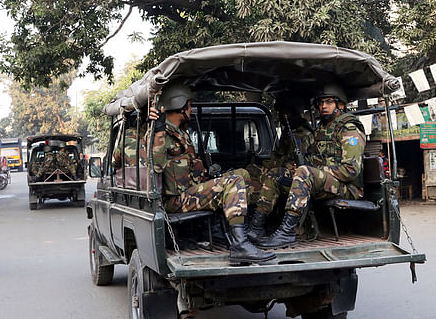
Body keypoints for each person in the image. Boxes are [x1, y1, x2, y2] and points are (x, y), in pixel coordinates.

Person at [148, 82, 275, 265]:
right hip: (174, 201)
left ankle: (245, 230)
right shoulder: (160, 133)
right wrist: (158, 133)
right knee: (233, 182)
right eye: (190, 105)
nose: (191, 110)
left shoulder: (180, 133)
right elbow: (156, 167)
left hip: (190, 192)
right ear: (180, 106)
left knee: (242, 174)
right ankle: (240, 245)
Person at [258, 83, 366, 249]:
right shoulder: (322, 129)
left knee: (305, 172)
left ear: (341, 105)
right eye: (321, 103)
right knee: (276, 174)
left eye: (329, 102)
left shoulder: (349, 130)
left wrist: (313, 169)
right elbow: (311, 157)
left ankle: (287, 232)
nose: (323, 106)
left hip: (348, 188)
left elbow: (350, 171)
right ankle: (256, 227)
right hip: (324, 183)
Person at [245, 93, 314, 243]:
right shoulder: (288, 132)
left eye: (284, 112)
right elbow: (277, 157)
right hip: (282, 170)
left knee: (269, 179)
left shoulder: (301, 134)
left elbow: (299, 163)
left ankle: (258, 226)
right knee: (249, 171)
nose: (281, 116)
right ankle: (251, 223)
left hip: (296, 177)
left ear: (293, 112)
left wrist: (270, 169)